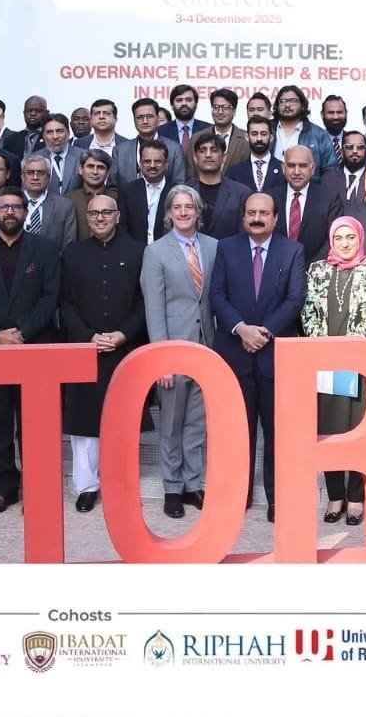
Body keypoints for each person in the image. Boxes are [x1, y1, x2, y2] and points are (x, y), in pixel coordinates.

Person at [0, 186, 62, 516]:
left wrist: (22, 332)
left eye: (16, 207)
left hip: (33, 347)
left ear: (25, 212)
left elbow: (50, 297)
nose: (9, 212)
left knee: (34, 425)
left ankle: (35, 487)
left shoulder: (45, 249)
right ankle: (4, 489)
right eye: (3, 206)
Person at [210, 191, 306, 521]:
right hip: (235, 353)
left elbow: (295, 299)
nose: (257, 218)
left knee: (277, 433)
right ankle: (240, 493)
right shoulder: (226, 248)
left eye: (264, 213)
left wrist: (263, 332)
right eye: (251, 212)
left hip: (275, 356)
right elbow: (217, 295)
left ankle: (277, 498)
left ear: (276, 218)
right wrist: (241, 329)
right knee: (238, 432)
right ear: (243, 217)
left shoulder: (292, 251)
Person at [300, 216, 366, 525]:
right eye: (339, 238)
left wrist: (351, 349)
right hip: (326, 364)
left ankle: (355, 497)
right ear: (331, 240)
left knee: (358, 429)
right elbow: (308, 312)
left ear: (360, 238)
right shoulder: (317, 270)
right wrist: (326, 348)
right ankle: (335, 495)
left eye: (350, 237)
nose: (344, 243)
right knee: (330, 430)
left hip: (362, 363)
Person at [59, 194, 146, 512]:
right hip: (85, 347)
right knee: (83, 422)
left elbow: (144, 301)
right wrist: (87, 336)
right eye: (94, 213)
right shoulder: (73, 253)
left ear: (117, 216)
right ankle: (87, 486)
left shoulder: (138, 251)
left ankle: (120, 482)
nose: (99, 218)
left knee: (123, 418)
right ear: (87, 218)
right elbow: (65, 303)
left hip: (125, 348)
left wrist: (123, 334)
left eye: (106, 213)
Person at [141, 185, 219, 518]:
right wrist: (162, 359)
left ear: (198, 212)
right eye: (178, 207)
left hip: (206, 348)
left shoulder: (214, 247)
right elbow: (154, 308)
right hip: (173, 349)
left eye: (190, 206)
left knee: (196, 424)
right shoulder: (156, 252)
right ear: (169, 213)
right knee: (172, 424)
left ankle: (192, 484)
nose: (184, 212)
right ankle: (172, 488)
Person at [270, 145, 342, 261]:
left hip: (315, 267)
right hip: (275, 265)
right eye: (291, 165)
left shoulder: (329, 199)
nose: (296, 172)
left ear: (312, 169)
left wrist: (312, 267)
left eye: (303, 166)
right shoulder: (270, 198)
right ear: (283, 168)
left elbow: (332, 238)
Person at [19, 155, 77, 250]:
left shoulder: (64, 206)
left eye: (41, 173)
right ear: (22, 177)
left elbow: (69, 245)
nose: (35, 177)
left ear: (49, 177)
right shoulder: (10, 203)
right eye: (30, 173)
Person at [120, 139, 172, 244]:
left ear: (166, 164)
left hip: (168, 250)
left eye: (157, 161)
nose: (152, 166)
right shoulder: (127, 191)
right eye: (147, 161)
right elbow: (121, 227)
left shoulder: (176, 192)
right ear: (140, 164)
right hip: (134, 250)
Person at [227, 115, 284, 193]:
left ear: (271, 138)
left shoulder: (283, 169)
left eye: (264, 134)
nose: (259, 139)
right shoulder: (235, 171)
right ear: (247, 137)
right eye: (254, 134)